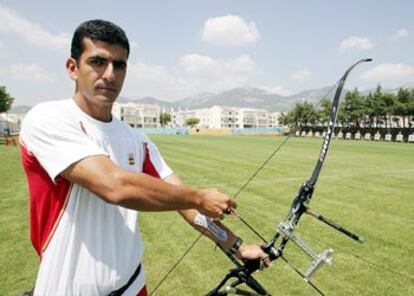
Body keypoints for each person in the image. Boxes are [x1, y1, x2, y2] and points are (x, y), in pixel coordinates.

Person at [20, 19, 267, 296]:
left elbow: (186, 205)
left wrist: (236, 245)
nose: (110, 74)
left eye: (119, 65)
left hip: (133, 286)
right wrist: (198, 196)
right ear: (72, 68)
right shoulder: (48, 118)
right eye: (98, 62)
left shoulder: (138, 140)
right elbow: (114, 186)